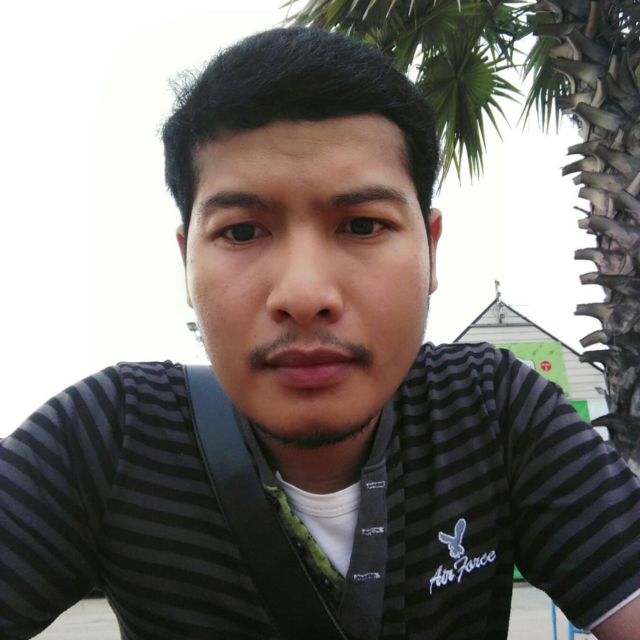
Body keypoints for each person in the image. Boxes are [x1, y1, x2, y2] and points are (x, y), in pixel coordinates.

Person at [1, 26, 639, 640]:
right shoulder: (109, 436)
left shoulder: (491, 412)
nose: (304, 296)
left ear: (431, 249)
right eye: (242, 232)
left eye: (362, 225)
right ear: (186, 261)